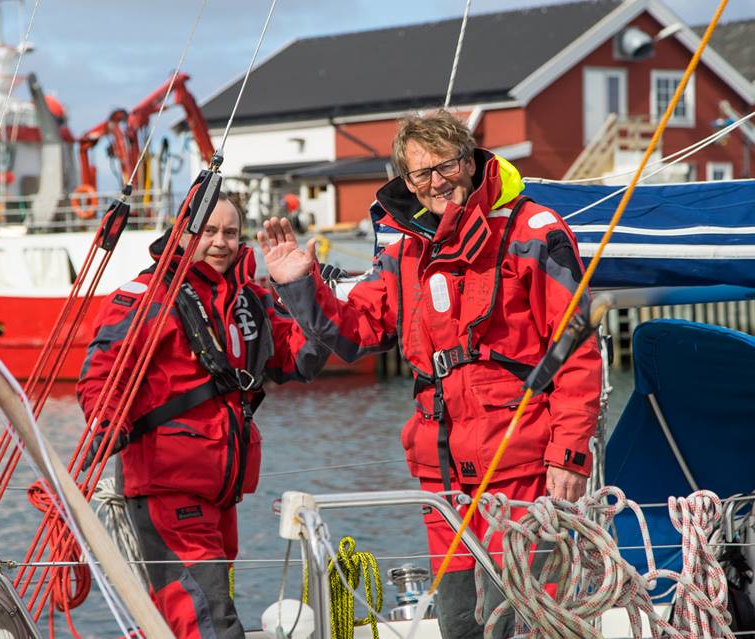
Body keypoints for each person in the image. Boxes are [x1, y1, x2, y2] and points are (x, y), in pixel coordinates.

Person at [257, 111, 601, 638]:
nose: (436, 182)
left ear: (468, 161)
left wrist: (570, 454)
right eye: (421, 174)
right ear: (406, 181)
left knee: (532, 620)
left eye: (445, 166)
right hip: (442, 478)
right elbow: (354, 335)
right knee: (461, 623)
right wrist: (299, 285)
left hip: (524, 469)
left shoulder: (533, 232)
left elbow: (576, 349)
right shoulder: (403, 250)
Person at [77, 194, 328, 639]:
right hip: (167, 490)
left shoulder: (251, 300)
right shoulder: (144, 297)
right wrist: (106, 422)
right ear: (183, 235)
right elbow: (103, 374)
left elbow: (301, 360)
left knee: (200, 615)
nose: (220, 243)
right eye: (208, 232)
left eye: (230, 233)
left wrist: (299, 288)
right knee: (209, 620)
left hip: (219, 495)